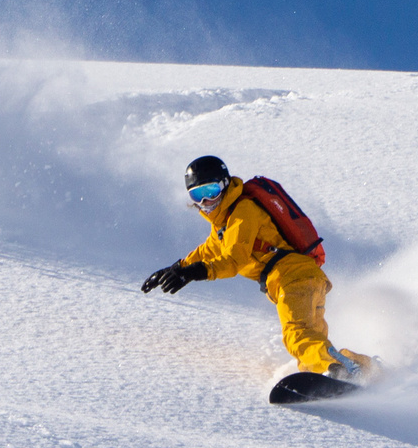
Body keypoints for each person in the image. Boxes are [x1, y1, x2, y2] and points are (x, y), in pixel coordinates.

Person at [141, 156, 378, 384]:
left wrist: (194, 273)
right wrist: (176, 268)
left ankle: (345, 371)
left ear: (224, 186)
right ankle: (367, 368)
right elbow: (208, 251)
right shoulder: (224, 225)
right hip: (304, 278)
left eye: (210, 192)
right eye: (197, 195)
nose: (205, 202)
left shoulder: (243, 211)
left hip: (292, 278)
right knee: (309, 353)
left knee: (297, 336)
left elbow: (233, 259)